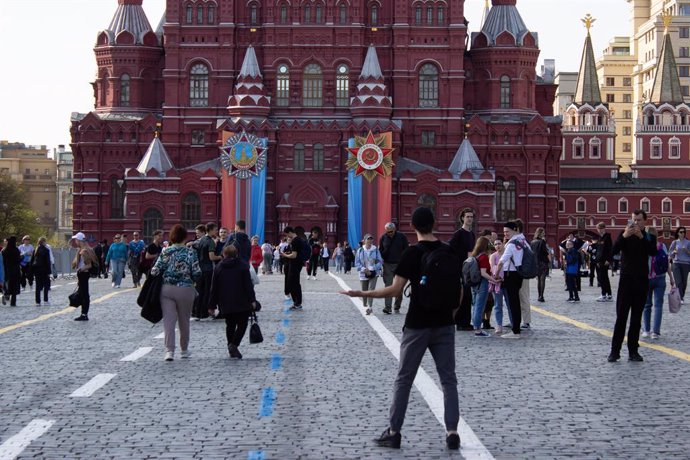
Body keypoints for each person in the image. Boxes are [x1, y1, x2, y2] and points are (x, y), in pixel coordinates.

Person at [340, 206, 461, 450]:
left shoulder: (412, 254)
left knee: (404, 379)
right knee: (449, 381)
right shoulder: (450, 252)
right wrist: (450, 316)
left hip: (417, 324)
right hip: (444, 325)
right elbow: (459, 292)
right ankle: (451, 432)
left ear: (413, 226)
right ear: (435, 223)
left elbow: (394, 290)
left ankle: (394, 431)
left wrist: (361, 293)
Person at [608, 210, 658, 363]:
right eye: (634, 220)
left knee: (636, 318)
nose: (636, 223)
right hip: (626, 280)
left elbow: (653, 252)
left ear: (645, 221)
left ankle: (633, 351)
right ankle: (614, 351)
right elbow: (613, 251)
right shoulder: (624, 234)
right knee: (621, 317)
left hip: (642, 280)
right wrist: (624, 236)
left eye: (639, 220)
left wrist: (642, 237)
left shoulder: (649, 237)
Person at [151, 224, 201, 361]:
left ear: (172, 237)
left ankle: (169, 351)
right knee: (184, 321)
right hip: (186, 289)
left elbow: (154, 271)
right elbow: (197, 273)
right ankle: (184, 350)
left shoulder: (165, 251)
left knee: (169, 321)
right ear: (185, 237)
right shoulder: (191, 252)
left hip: (167, 289)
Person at [209, 244, 257, 359]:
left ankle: (230, 347)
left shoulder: (219, 267)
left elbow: (214, 287)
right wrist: (252, 300)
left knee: (229, 325)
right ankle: (234, 345)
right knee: (242, 324)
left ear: (224, 254)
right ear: (237, 254)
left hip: (225, 301)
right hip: (242, 301)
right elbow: (248, 285)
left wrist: (211, 305)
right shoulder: (243, 266)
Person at [493, 221, 526, 339]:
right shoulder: (523, 241)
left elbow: (502, 261)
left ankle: (515, 331)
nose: (505, 234)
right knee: (515, 302)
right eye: (504, 232)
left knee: (513, 304)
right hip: (519, 274)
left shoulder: (512, 244)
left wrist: (496, 274)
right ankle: (516, 328)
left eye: (507, 231)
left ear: (515, 229)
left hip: (511, 275)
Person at [642, 226, 675, 340]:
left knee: (646, 306)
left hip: (646, 278)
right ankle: (655, 332)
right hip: (660, 278)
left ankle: (646, 330)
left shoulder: (643, 246)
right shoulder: (662, 246)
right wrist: (671, 278)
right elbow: (667, 262)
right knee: (658, 306)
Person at [448, 207, 475, 331]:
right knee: (462, 296)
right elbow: (450, 250)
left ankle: (466, 321)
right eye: (467, 216)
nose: (470, 219)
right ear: (462, 218)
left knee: (469, 296)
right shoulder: (458, 234)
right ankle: (459, 322)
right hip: (460, 269)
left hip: (469, 270)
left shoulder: (472, 234)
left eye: (471, 216)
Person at [470, 236, 499, 337]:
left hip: (474, 284)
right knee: (479, 306)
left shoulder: (475, 255)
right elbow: (483, 273)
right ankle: (478, 329)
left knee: (475, 306)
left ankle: (476, 327)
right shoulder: (483, 257)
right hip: (482, 283)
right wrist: (493, 279)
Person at [378, 222, 410, 314]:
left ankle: (397, 306)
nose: (390, 233)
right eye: (388, 232)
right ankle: (387, 307)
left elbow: (406, 250)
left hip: (400, 265)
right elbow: (380, 251)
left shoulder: (402, 237)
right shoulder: (383, 237)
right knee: (388, 286)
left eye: (391, 231)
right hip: (387, 264)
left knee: (398, 286)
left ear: (395, 230)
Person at [192, 223, 221, 320]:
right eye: (215, 229)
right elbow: (212, 257)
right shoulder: (211, 242)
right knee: (207, 291)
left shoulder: (202, 240)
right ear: (211, 230)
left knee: (199, 291)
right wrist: (221, 256)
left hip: (200, 269)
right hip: (208, 269)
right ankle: (205, 313)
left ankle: (197, 313)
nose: (216, 231)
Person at [71, 232, 98, 321]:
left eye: (76, 240)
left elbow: (89, 265)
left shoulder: (84, 250)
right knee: (83, 293)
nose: (75, 241)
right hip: (82, 274)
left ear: (79, 240)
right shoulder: (83, 249)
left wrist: (80, 269)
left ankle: (84, 314)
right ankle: (83, 313)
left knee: (84, 294)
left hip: (84, 274)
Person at [355, 234, 383, 315]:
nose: (370, 240)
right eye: (368, 239)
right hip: (363, 273)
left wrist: (373, 268)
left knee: (371, 290)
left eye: (371, 239)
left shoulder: (375, 250)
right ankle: (365, 304)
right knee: (364, 291)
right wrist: (363, 269)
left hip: (374, 273)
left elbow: (380, 261)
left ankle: (369, 307)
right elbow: (357, 262)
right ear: (364, 240)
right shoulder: (360, 250)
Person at [281, 226, 307, 310]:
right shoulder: (299, 239)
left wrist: (284, 255)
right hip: (298, 264)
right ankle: (297, 303)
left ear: (289, 232)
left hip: (294, 264)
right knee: (294, 283)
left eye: (286, 234)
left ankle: (297, 303)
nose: (287, 237)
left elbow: (293, 255)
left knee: (293, 284)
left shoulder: (295, 241)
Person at [489, 239, 507, 334]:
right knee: (497, 305)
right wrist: (498, 276)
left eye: (499, 243)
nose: (497, 246)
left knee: (510, 305)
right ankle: (499, 325)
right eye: (495, 244)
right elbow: (492, 268)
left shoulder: (507, 254)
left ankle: (513, 323)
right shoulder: (493, 256)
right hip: (497, 283)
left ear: (503, 244)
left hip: (507, 283)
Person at [669, 226, 690, 303]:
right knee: (678, 282)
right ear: (678, 233)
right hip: (676, 263)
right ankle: (680, 298)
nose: (682, 233)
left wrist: (686, 250)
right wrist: (674, 252)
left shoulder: (688, 242)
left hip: (686, 264)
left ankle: (681, 296)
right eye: (681, 232)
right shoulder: (674, 242)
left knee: (684, 282)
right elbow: (670, 254)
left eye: (684, 232)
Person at [31, 237, 52, 306]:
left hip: (37, 270)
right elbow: (48, 262)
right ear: (43, 242)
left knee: (37, 286)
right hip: (44, 270)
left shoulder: (35, 249)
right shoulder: (46, 250)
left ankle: (37, 302)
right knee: (45, 285)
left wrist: (32, 270)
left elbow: (32, 261)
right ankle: (45, 300)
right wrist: (49, 271)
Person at [595, 222, 614, 302]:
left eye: (600, 228)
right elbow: (598, 250)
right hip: (599, 260)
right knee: (601, 278)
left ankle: (606, 295)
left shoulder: (607, 237)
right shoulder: (600, 238)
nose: (599, 230)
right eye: (598, 229)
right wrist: (597, 260)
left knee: (604, 278)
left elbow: (610, 250)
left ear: (603, 228)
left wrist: (608, 260)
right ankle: (606, 294)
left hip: (605, 261)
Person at [531, 228, 550, 303]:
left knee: (539, 280)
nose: (544, 233)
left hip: (536, 263)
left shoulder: (532, 242)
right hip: (543, 262)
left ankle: (539, 295)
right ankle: (541, 296)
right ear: (541, 233)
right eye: (543, 232)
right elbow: (545, 252)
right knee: (542, 280)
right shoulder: (542, 242)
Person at [1, 236, 21, 306]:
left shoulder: (4, 250)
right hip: (15, 271)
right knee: (14, 287)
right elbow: (19, 260)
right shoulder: (16, 250)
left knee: (7, 285)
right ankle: (13, 302)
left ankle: (6, 295)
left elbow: (2, 261)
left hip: (6, 270)